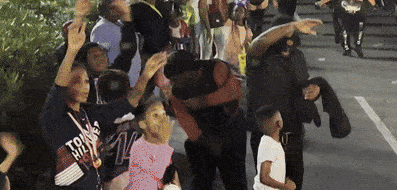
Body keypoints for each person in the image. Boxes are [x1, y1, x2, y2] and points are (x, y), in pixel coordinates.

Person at [40, 0, 167, 190]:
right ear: (85, 62)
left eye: (102, 53)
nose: (101, 58)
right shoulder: (56, 116)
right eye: (94, 55)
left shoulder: (92, 109)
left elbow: (127, 53)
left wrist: (145, 75)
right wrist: (72, 46)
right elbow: (60, 86)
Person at [246, 18, 323, 190]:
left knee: (295, 184)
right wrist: (292, 26)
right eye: (284, 36)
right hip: (267, 139)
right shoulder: (259, 56)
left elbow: (304, 85)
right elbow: (259, 42)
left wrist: (314, 91)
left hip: (293, 137)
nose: (288, 48)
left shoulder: (297, 56)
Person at [163, 50, 247, 190]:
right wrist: (205, 141)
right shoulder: (177, 94)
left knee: (235, 180)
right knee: (201, 181)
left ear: (188, 72)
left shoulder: (216, 68)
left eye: (176, 79)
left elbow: (234, 92)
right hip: (204, 137)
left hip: (232, 128)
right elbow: (187, 123)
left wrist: (202, 101)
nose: (174, 83)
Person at [126, 98, 175, 190]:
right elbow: (159, 173)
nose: (163, 119)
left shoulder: (163, 144)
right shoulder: (138, 147)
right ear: (143, 124)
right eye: (155, 115)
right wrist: (164, 141)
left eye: (164, 114)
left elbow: (171, 173)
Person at [253, 106, 296, 190]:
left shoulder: (271, 142)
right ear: (279, 123)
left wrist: (286, 180)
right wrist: (286, 187)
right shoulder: (269, 145)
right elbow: (264, 177)